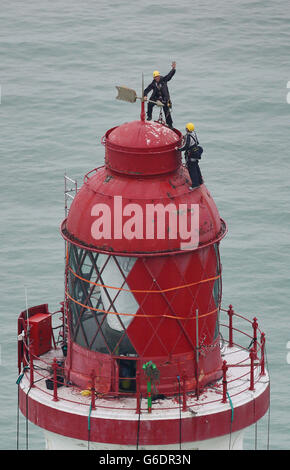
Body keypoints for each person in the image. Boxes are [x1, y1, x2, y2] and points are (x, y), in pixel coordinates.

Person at [143, 62, 176, 128]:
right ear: (154, 78)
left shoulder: (163, 80)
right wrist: (145, 95)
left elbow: (169, 76)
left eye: (157, 76)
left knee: (166, 111)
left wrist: (173, 69)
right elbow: (147, 89)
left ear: (159, 76)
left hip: (164, 98)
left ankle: (170, 124)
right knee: (149, 104)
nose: (157, 78)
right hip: (156, 97)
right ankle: (149, 116)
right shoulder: (153, 83)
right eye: (155, 77)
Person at [177, 123, 204, 190]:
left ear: (187, 129)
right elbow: (197, 142)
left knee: (192, 170)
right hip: (196, 152)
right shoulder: (194, 133)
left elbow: (186, 146)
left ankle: (195, 184)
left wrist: (178, 149)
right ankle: (200, 181)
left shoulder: (188, 136)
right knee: (196, 167)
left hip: (191, 155)